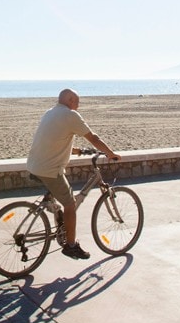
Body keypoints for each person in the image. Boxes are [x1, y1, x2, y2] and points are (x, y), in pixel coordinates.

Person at [26, 88, 120, 260]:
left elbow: (55, 139)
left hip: (34, 165)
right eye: (77, 102)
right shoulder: (70, 115)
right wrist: (110, 153)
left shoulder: (50, 112)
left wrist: (77, 150)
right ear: (69, 100)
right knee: (70, 204)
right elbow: (93, 138)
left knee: (59, 201)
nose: (78, 106)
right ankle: (71, 246)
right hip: (49, 169)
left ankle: (59, 220)